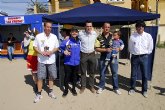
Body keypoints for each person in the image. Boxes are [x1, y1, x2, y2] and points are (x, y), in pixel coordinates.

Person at [33, 22, 59, 103]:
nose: (49, 28)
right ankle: (39, 93)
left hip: (51, 60)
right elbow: (35, 46)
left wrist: (51, 51)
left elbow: (57, 47)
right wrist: (41, 52)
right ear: (44, 27)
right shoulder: (38, 36)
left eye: (50, 27)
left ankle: (50, 91)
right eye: (47, 27)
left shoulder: (54, 37)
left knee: (51, 76)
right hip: (41, 60)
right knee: (40, 77)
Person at [95, 22, 124, 95]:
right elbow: (96, 48)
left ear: (109, 28)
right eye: (105, 27)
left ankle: (116, 88)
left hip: (113, 57)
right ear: (103, 27)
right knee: (102, 73)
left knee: (114, 73)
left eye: (108, 27)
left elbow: (120, 44)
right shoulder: (99, 37)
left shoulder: (113, 36)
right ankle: (101, 87)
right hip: (103, 57)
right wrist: (105, 50)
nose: (107, 28)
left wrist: (119, 49)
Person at [128, 20, 153, 98]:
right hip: (135, 57)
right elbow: (130, 47)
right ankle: (132, 88)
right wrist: (135, 53)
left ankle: (144, 90)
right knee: (133, 74)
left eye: (142, 26)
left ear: (144, 27)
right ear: (136, 28)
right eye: (138, 26)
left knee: (145, 75)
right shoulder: (132, 36)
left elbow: (150, 47)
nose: (140, 28)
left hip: (144, 57)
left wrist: (145, 53)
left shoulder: (148, 36)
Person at [59, 27, 80, 97]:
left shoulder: (79, 41)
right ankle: (66, 90)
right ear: (70, 33)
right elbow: (59, 48)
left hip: (76, 62)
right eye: (73, 32)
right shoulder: (66, 41)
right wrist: (63, 51)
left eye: (76, 32)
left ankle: (73, 89)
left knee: (74, 77)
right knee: (67, 76)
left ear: (77, 33)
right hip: (68, 62)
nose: (74, 33)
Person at [79, 21, 97, 94]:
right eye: (87, 26)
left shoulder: (94, 33)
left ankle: (91, 86)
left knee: (92, 72)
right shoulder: (81, 34)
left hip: (92, 54)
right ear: (85, 27)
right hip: (83, 54)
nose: (89, 27)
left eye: (90, 26)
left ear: (92, 27)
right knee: (83, 72)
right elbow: (74, 37)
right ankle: (83, 86)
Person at [26, 29, 39, 94]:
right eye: (32, 33)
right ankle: (36, 85)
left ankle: (39, 84)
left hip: (36, 57)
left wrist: (31, 36)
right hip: (30, 56)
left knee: (38, 72)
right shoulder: (29, 39)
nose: (32, 34)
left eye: (34, 33)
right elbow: (25, 44)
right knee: (33, 73)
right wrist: (27, 37)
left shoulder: (38, 38)